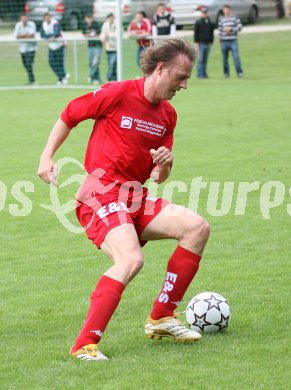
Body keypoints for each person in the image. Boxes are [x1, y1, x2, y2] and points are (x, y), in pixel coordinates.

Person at [37, 37, 210, 361]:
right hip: (100, 193)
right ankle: (84, 345)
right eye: (181, 77)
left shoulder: (168, 115)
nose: (185, 85)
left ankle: (162, 316)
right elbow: (69, 115)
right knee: (131, 259)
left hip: (134, 195)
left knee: (197, 228)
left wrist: (163, 164)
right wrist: (47, 157)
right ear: (160, 68)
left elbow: (160, 175)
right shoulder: (117, 93)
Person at [40, 13, 69, 85]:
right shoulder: (43, 24)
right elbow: (42, 35)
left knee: (60, 63)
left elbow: (57, 33)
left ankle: (60, 79)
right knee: (51, 63)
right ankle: (63, 75)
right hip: (51, 46)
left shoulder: (55, 23)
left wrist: (50, 36)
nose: (47, 19)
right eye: (46, 18)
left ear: (50, 17)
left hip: (59, 45)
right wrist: (50, 37)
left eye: (48, 17)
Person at [218, 5, 243, 78]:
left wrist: (231, 29)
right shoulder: (221, 18)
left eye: (227, 9)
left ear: (229, 10)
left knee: (236, 57)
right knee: (225, 58)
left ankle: (239, 73)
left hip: (233, 40)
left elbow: (240, 27)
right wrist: (220, 38)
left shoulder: (235, 17)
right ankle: (226, 73)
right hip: (224, 41)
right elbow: (220, 29)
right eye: (224, 10)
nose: (225, 11)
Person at [14, 14, 37, 85]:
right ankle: (31, 79)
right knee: (25, 64)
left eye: (25, 19)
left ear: (27, 19)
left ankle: (32, 79)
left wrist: (22, 36)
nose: (24, 20)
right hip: (22, 48)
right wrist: (25, 35)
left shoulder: (32, 24)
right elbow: (16, 36)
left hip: (31, 47)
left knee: (29, 62)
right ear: (20, 19)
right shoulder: (18, 25)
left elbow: (31, 35)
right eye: (22, 19)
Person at [194, 6, 215, 79]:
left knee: (205, 59)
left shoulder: (210, 22)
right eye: (203, 13)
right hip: (201, 43)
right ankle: (200, 74)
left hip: (208, 43)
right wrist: (196, 42)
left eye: (205, 13)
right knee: (201, 59)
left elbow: (212, 33)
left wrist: (211, 41)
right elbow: (196, 33)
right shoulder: (198, 22)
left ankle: (204, 74)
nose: (204, 14)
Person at [82, 14, 102, 85]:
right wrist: (91, 35)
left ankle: (90, 76)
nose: (89, 19)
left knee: (95, 62)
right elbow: (84, 34)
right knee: (91, 63)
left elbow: (99, 33)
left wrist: (92, 35)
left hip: (97, 46)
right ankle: (97, 78)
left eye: (90, 18)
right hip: (90, 46)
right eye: (87, 18)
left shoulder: (96, 24)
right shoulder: (84, 25)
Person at [100, 13, 117, 81]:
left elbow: (117, 35)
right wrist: (103, 38)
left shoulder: (117, 24)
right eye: (109, 18)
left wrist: (108, 36)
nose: (110, 19)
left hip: (116, 48)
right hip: (108, 48)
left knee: (113, 63)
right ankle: (113, 78)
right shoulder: (105, 24)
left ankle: (110, 77)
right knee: (110, 64)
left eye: (111, 17)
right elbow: (102, 34)